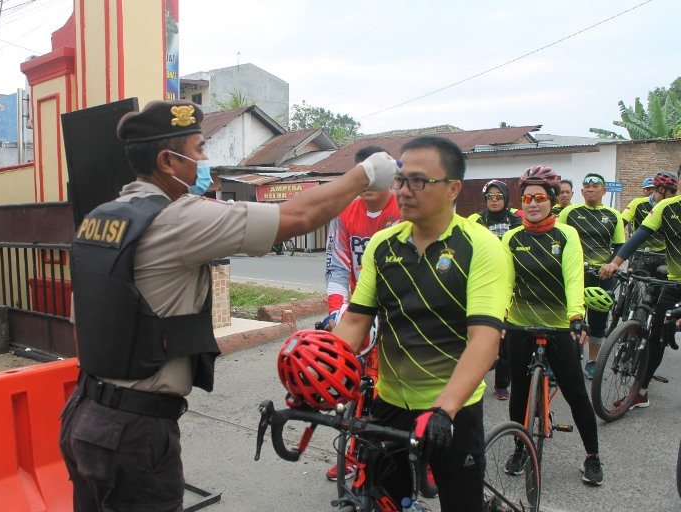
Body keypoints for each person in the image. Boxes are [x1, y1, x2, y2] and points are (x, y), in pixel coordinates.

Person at [59, 100, 399, 512]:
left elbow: (85, 317)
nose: (205, 161)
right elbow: (299, 215)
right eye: (199, 150)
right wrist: (365, 173)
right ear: (168, 161)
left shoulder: (101, 218)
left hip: (84, 416)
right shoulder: (177, 218)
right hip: (135, 431)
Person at [333, 136, 511, 511]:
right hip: (390, 403)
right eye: (400, 180)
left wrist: (444, 409)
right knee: (383, 501)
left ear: (453, 189)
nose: (404, 191)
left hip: (453, 409)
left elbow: (484, 340)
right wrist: (325, 373)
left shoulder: (481, 247)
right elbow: (354, 322)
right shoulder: (383, 245)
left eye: (419, 181)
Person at [501, 165, 603, 486]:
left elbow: (574, 279)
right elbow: (505, 282)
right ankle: (520, 447)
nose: (532, 203)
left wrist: (576, 318)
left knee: (576, 394)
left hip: (560, 326)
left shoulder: (566, 234)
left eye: (539, 198)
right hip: (520, 325)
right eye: (527, 197)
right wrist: (499, 318)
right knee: (519, 393)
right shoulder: (512, 237)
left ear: (552, 200)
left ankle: (592, 456)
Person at [323, 144, 400, 482]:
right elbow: (337, 268)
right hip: (360, 311)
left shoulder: (403, 211)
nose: (368, 181)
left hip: (400, 313)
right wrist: (336, 311)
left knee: (398, 389)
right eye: (362, 174)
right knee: (353, 387)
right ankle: (353, 453)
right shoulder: (344, 213)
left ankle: (416, 454)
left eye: (375, 173)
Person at [599, 171, 680, 409]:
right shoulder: (666, 207)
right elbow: (639, 236)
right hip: (674, 284)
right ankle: (641, 391)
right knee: (656, 336)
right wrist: (615, 262)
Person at [558, 173, 624, 379]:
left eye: (596, 185)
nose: (590, 188)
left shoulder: (614, 215)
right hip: (575, 273)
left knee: (598, 321)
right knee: (568, 317)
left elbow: (619, 246)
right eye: (586, 185)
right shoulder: (570, 212)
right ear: (581, 190)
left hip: (603, 275)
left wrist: (611, 265)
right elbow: (557, 239)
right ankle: (564, 358)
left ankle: (592, 361)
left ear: (604, 191)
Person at [466, 179, 520, 401]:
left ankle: (501, 384)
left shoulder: (515, 219)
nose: (494, 200)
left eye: (499, 197)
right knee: (475, 332)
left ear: (506, 199)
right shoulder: (476, 220)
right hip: (480, 280)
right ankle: (472, 378)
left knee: (505, 335)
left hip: (508, 282)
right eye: (490, 197)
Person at [621, 174, 668, 272]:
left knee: (662, 283)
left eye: (653, 188)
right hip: (640, 251)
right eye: (648, 189)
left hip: (662, 252)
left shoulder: (666, 205)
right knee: (636, 279)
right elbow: (622, 221)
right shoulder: (637, 202)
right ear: (643, 190)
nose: (651, 191)